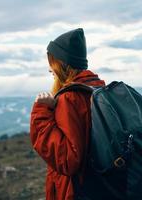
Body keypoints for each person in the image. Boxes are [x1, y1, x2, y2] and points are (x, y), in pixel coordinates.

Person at [30, 28, 105, 200]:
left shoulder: (70, 98)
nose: (51, 72)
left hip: (75, 191)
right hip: (98, 187)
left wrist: (41, 113)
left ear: (62, 65)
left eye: (52, 66)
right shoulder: (97, 88)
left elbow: (67, 160)